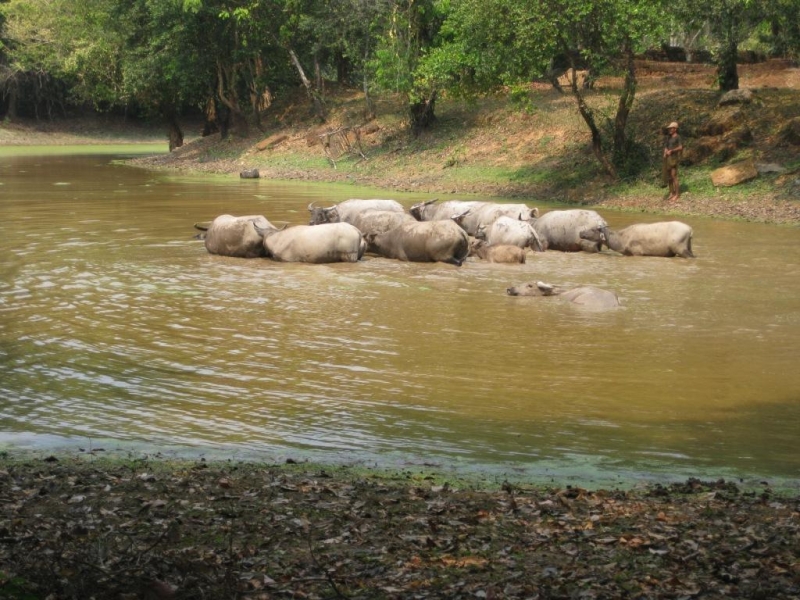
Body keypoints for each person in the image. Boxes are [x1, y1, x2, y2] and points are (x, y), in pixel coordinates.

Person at [663, 121, 684, 201]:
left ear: (675, 129)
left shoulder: (678, 137)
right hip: (667, 158)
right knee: (669, 177)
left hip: (674, 158)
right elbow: (666, 146)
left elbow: (680, 147)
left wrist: (672, 151)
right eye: (669, 128)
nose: (670, 130)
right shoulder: (669, 137)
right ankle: (671, 193)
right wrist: (665, 152)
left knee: (673, 176)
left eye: (671, 128)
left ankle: (677, 194)